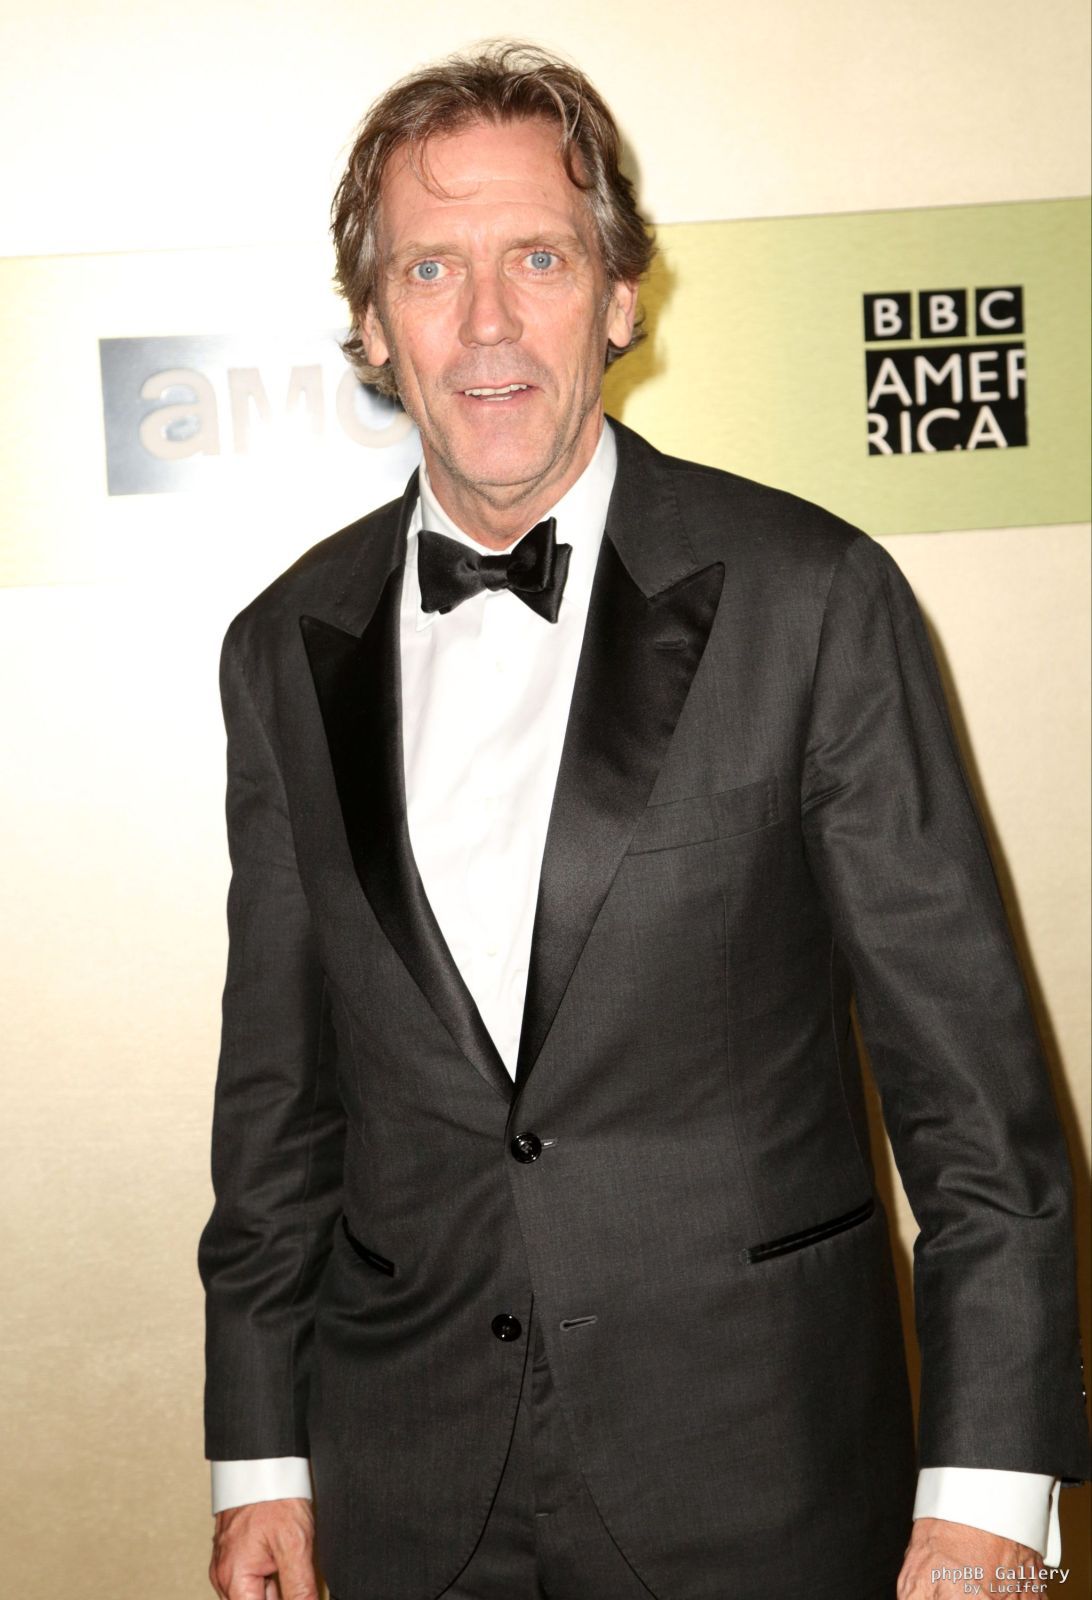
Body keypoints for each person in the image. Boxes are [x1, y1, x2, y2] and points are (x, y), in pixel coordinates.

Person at [199, 42, 1089, 1600]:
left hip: (762, 1474)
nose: (487, 322)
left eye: (539, 259)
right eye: (431, 268)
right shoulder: (283, 645)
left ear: (619, 296)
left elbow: (974, 1103)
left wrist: (989, 1490)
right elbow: (279, 1101)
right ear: (372, 323)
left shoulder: (815, 598)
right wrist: (260, 1457)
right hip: (403, 1484)